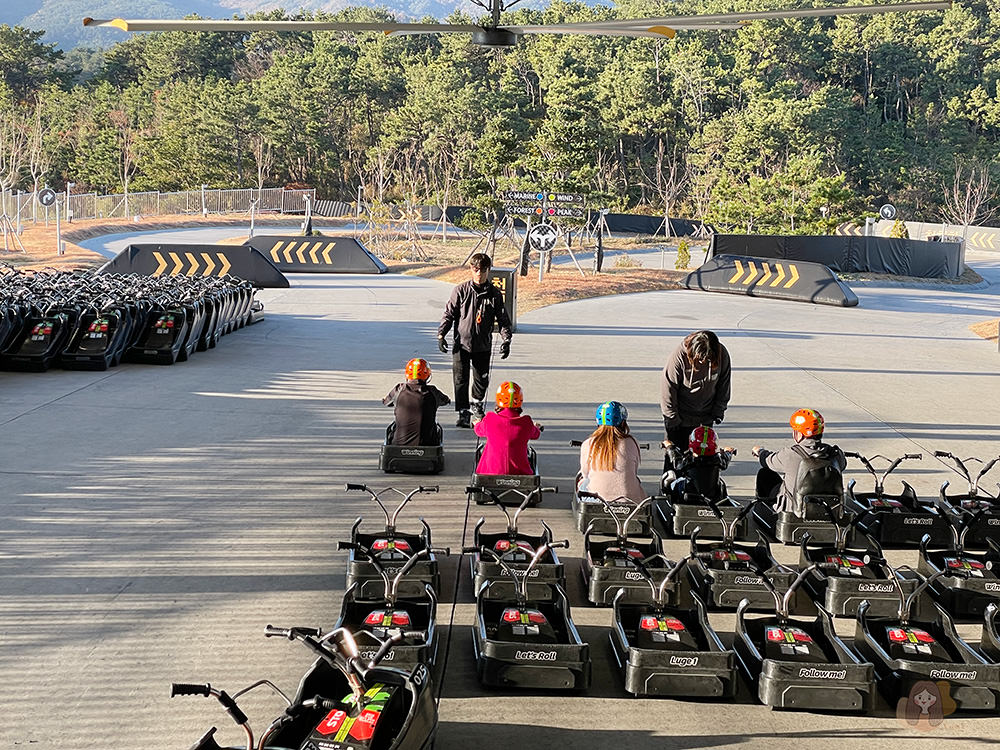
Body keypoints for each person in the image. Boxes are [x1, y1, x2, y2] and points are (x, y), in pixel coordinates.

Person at [438, 253, 513, 428]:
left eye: (483, 270)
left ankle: (477, 407)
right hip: (461, 344)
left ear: (488, 270)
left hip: (482, 345)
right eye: (475, 269)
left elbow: (503, 320)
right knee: (460, 379)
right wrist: (441, 335)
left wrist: (506, 340)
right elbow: (449, 314)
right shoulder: (460, 290)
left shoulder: (494, 294)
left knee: (481, 379)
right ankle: (463, 412)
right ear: (471, 269)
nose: (479, 273)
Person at [752, 408, 847, 515]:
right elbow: (843, 464)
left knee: (765, 474)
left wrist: (760, 451)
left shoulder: (790, 454)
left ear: (800, 434)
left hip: (794, 513)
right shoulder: (835, 454)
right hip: (828, 512)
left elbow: (768, 461)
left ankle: (763, 511)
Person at [661, 330, 731, 472]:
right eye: (700, 359)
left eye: (708, 358)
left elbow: (724, 384)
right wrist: (672, 419)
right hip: (679, 417)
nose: (704, 362)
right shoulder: (679, 356)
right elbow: (668, 388)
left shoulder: (722, 353)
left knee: (703, 461)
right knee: (675, 461)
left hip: (706, 416)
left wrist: (718, 411)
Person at [577, 401, 644, 502]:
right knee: (635, 480)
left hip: (598, 499)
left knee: (583, 482)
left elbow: (586, 473)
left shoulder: (588, 443)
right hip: (628, 500)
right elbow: (633, 471)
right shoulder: (632, 442)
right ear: (623, 422)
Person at [473, 381, 541, 475]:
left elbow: (478, 431)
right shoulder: (526, 422)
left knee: (482, 450)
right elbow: (536, 434)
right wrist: (536, 427)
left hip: (491, 472)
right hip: (520, 473)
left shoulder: (490, 419)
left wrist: (476, 424)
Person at [382, 358, 450, 446]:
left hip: (399, 444)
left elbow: (386, 402)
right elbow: (445, 400)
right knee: (437, 428)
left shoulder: (399, 389)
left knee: (392, 427)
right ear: (428, 374)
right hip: (428, 444)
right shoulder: (433, 391)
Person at [662, 425, 736, 502]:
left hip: (689, 496)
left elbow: (677, 462)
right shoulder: (718, 460)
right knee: (720, 483)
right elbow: (726, 458)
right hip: (713, 497)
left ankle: (669, 503)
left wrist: (670, 447)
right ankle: (723, 501)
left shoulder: (688, 460)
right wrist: (728, 452)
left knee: (669, 477)